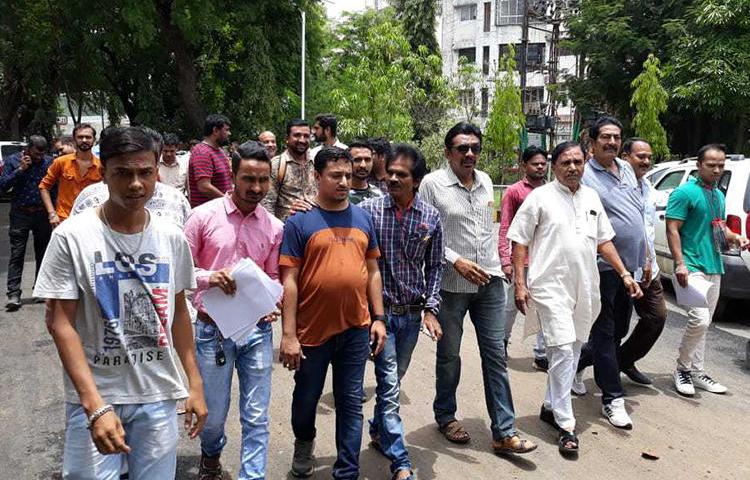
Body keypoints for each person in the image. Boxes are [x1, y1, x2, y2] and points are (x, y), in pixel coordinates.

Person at [33, 126, 207, 479]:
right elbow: (59, 322)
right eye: (123, 173)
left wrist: (195, 383)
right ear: (103, 172)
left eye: (145, 172)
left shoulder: (172, 238)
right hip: (97, 394)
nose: (136, 184)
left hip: (157, 395)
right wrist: (94, 405)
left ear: (157, 171)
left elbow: (178, 316)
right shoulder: (72, 236)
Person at [508, 141, 642, 455]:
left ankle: (549, 404)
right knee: (563, 351)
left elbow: (604, 241)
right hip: (549, 286)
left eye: (578, 161)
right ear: (554, 166)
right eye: (566, 162)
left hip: (586, 287)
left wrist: (623, 273)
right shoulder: (540, 197)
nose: (572, 167)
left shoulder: (592, 197)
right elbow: (519, 240)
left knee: (574, 345)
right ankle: (566, 426)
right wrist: (519, 282)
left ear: (585, 163)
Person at [418, 122, 536, 454]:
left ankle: (503, 431)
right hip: (452, 286)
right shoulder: (432, 185)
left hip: (490, 283)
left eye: (475, 148)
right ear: (447, 152)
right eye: (462, 148)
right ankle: (445, 416)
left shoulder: (485, 181)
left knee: (495, 355)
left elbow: (492, 228)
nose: (470, 154)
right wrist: (454, 259)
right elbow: (423, 234)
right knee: (450, 355)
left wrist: (503, 268)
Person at [278, 146, 387, 479]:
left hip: (356, 328)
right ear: (317, 176)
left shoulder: (363, 218)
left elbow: (372, 271)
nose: (343, 182)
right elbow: (290, 280)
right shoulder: (299, 222)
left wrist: (379, 318)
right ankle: (304, 442)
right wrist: (288, 334)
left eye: (347, 176)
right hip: (312, 333)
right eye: (335, 176)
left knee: (351, 402)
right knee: (306, 399)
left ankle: (347, 471)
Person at [184, 141, 283, 479]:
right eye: (249, 179)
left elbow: (272, 276)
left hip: (257, 332)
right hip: (212, 331)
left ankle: (251, 475)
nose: (256, 188)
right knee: (211, 416)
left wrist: (271, 303)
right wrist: (210, 278)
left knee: (256, 416)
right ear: (232, 177)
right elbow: (181, 273)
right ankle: (211, 453)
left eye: (263, 180)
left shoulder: (274, 227)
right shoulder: (201, 218)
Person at [359, 143, 443, 480]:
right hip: (380, 317)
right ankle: (401, 463)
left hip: (410, 316)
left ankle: (378, 430)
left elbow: (435, 267)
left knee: (393, 381)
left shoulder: (431, 218)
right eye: (390, 172)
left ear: (416, 181)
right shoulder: (368, 212)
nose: (392, 178)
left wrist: (431, 310)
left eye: (401, 174)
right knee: (390, 385)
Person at [576, 116, 647, 430]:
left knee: (617, 329)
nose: (612, 142)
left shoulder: (628, 169)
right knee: (605, 333)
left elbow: (637, 215)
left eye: (617, 137)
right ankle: (612, 398)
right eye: (605, 137)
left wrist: (644, 262)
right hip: (602, 268)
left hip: (629, 268)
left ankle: (577, 365)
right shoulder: (585, 174)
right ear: (592, 142)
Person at [667, 143, 748, 396]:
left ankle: (697, 371)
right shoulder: (684, 193)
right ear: (698, 165)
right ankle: (682, 368)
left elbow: (719, 227)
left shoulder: (718, 195)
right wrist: (679, 263)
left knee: (706, 323)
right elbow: (672, 229)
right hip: (691, 266)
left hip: (714, 264)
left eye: (721, 165)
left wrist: (735, 237)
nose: (716, 169)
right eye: (711, 165)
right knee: (699, 319)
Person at [617, 138, 668, 385]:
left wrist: (648, 259)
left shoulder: (648, 186)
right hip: (621, 267)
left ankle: (622, 360)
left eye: (649, 157)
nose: (646, 161)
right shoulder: (617, 187)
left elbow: (646, 227)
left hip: (649, 268)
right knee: (616, 328)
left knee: (656, 318)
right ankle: (581, 364)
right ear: (625, 157)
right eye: (641, 156)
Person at [498, 145, 549, 370]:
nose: (540, 167)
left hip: (546, 260)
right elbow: (505, 226)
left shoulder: (552, 191)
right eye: (535, 163)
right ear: (524, 166)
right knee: (511, 306)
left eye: (543, 163)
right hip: (521, 261)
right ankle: (501, 343)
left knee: (544, 308)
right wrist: (505, 260)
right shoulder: (515, 191)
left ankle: (541, 353)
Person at [0, 136, 54, 311]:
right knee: (17, 253)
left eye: (42, 153)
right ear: (28, 148)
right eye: (37, 152)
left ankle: (39, 290)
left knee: (43, 252)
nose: (39, 156)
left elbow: (54, 186)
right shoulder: (12, 160)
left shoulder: (49, 162)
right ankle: (14, 294)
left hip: (42, 214)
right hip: (20, 213)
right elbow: (2, 186)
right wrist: (20, 170)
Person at [39, 123, 102, 226]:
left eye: (88, 137)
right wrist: (52, 213)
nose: (84, 140)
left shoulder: (101, 166)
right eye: (80, 137)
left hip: (92, 221)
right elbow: (44, 187)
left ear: (94, 140)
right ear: (74, 140)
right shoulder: (61, 162)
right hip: (64, 219)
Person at [262, 119, 316, 221]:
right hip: (286, 229)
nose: (302, 140)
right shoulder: (276, 165)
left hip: (314, 228)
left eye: (306, 136)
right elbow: (267, 204)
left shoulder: (316, 163)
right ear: (287, 138)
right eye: (297, 135)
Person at [188, 114, 233, 208]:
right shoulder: (202, 152)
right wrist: (228, 202)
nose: (229, 134)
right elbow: (204, 187)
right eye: (226, 130)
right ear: (215, 131)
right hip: (207, 214)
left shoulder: (220, 151)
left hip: (220, 211)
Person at [348, 140, 383, 204]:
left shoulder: (378, 194)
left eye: (367, 160)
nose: (363, 165)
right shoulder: (340, 194)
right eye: (357, 160)